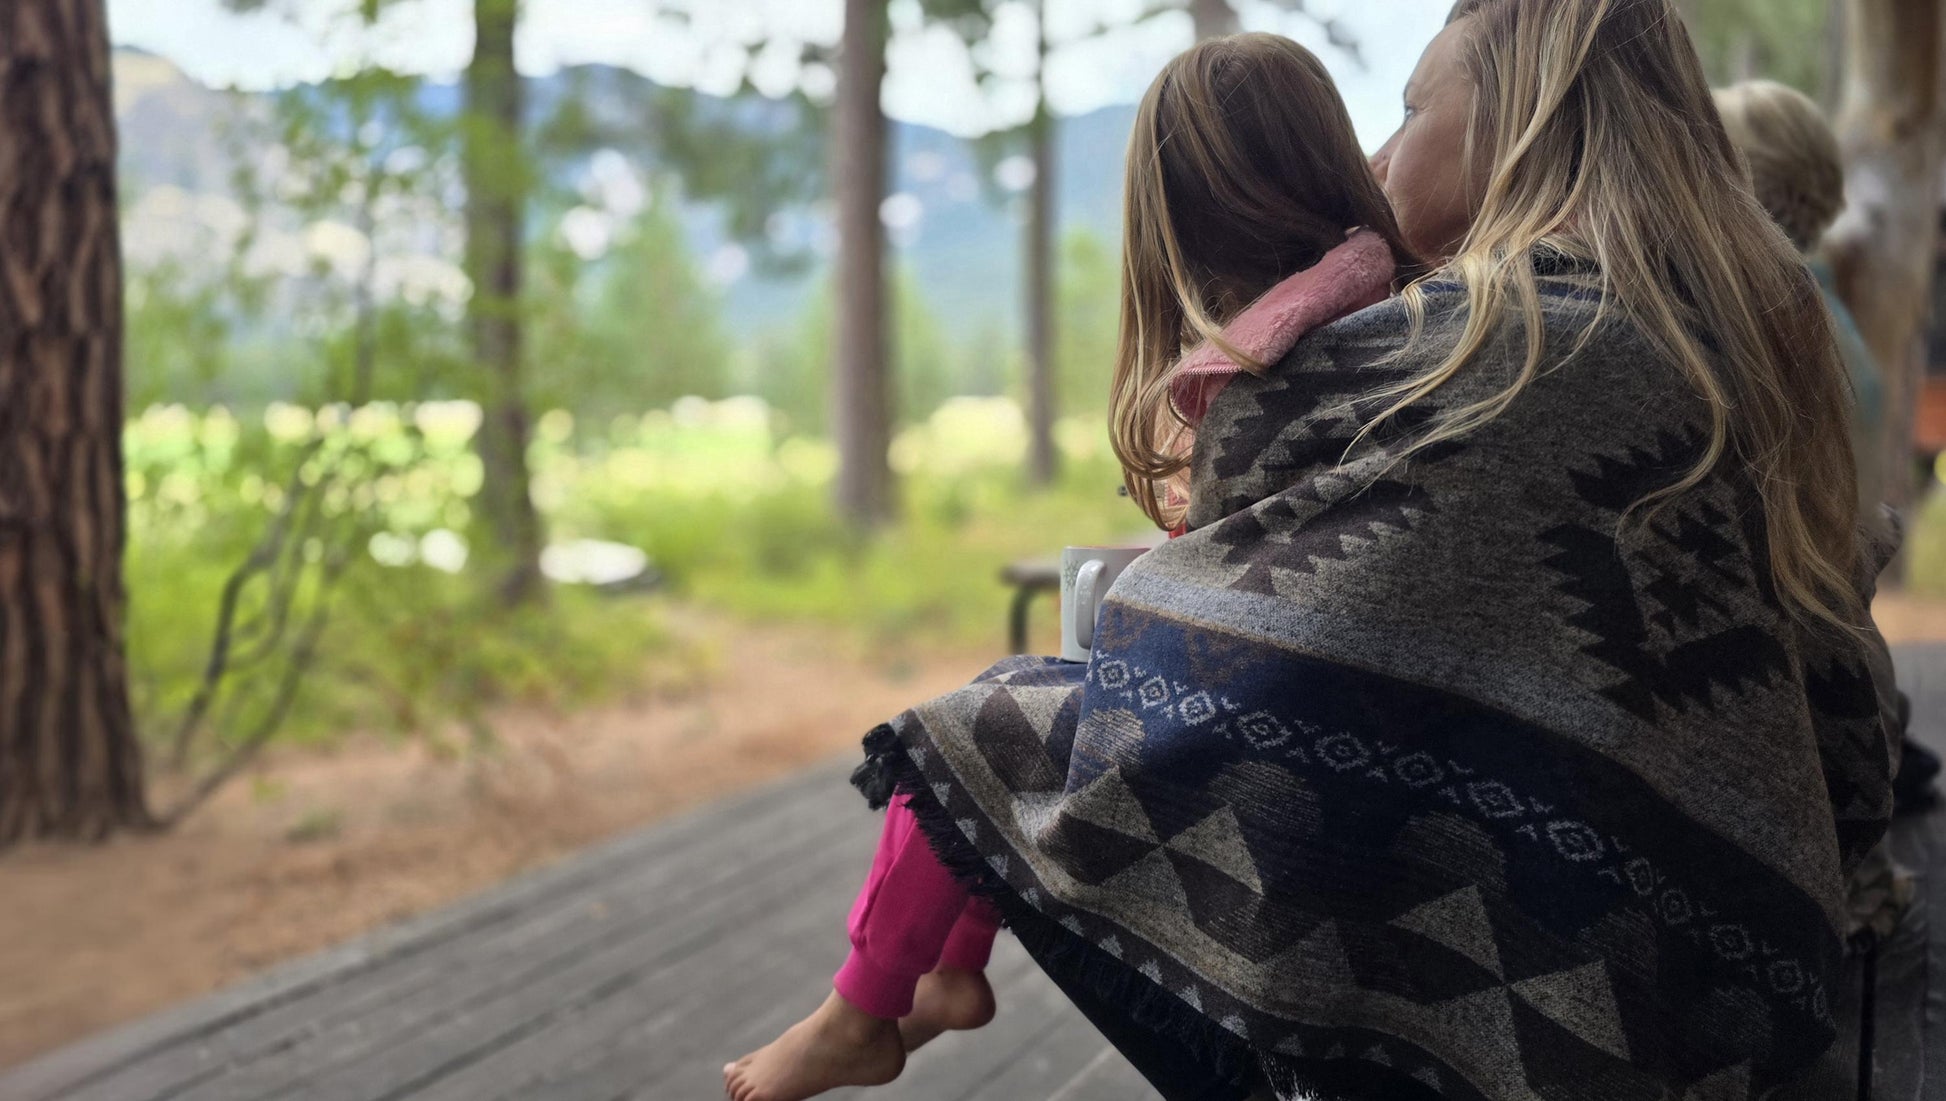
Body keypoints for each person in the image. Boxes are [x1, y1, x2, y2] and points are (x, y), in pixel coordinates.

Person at [836, 1, 1899, 1099]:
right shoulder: (1740, 336)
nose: (1379, 161)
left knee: (986, 732)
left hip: (1544, 1047)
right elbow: (1845, 740)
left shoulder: (1491, 349)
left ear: (1519, 122)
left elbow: (1203, 651)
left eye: (1408, 110)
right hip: (1733, 1008)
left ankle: (867, 1006)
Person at [721, 33, 1416, 1101]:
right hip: (1346, 707)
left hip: (1288, 746)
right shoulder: (1383, 308)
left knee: (965, 733)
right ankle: (944, 972)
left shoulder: (1288, 355)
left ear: (1174, 215)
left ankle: (863, 1008)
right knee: (1023, 709)